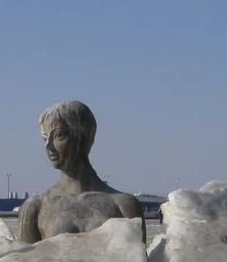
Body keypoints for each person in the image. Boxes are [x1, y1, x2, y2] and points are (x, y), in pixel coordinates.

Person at [18, 100, 144, 244]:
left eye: (59, 135)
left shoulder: (124, 205)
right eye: (45, 138)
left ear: (83, 136)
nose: (49, 146)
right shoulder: (35, 208)